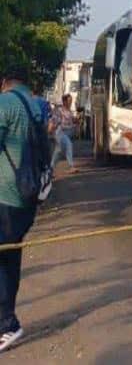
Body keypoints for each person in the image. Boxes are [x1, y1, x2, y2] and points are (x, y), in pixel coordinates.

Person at [0, 67, 41, 352]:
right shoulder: (36, 104)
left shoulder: (5, 103)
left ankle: (7, 324)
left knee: (4, 259)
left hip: (6, 195)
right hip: (27, 196)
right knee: (9, 257)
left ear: (4, 83)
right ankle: (6, 321)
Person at [50, 94, 77, 174]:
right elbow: (54, 120)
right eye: (69, 101)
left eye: (71, 101)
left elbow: (71, 121)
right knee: (69, 145)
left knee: (58, 151)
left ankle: (50, 168)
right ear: (64, 102)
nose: (71, 102)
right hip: (61, 132)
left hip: (68, 133)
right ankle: (71, 166)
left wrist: (76, 120)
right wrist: (51, 129)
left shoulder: (69, 111)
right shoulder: (60, 110)